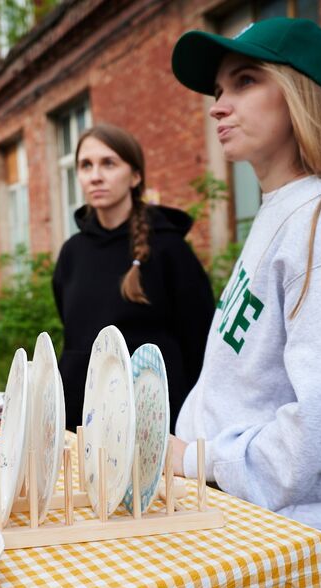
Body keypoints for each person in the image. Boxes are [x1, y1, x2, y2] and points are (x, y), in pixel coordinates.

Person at [168, 18, 321, 556]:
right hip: (238, 507)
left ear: (301, 95)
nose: (218, 106)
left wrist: (194, 459)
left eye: (245, 80)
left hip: (283, 525)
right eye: (217, 90)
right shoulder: (283, 212)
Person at [52, 123, 215, 432]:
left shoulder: (169, 249)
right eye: (86, 165)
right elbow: (74, 333)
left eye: (109, 164)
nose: (95, 175)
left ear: (135, 176)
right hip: (83, 423)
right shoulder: (71, 253)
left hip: (151, 426)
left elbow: (200, 343)